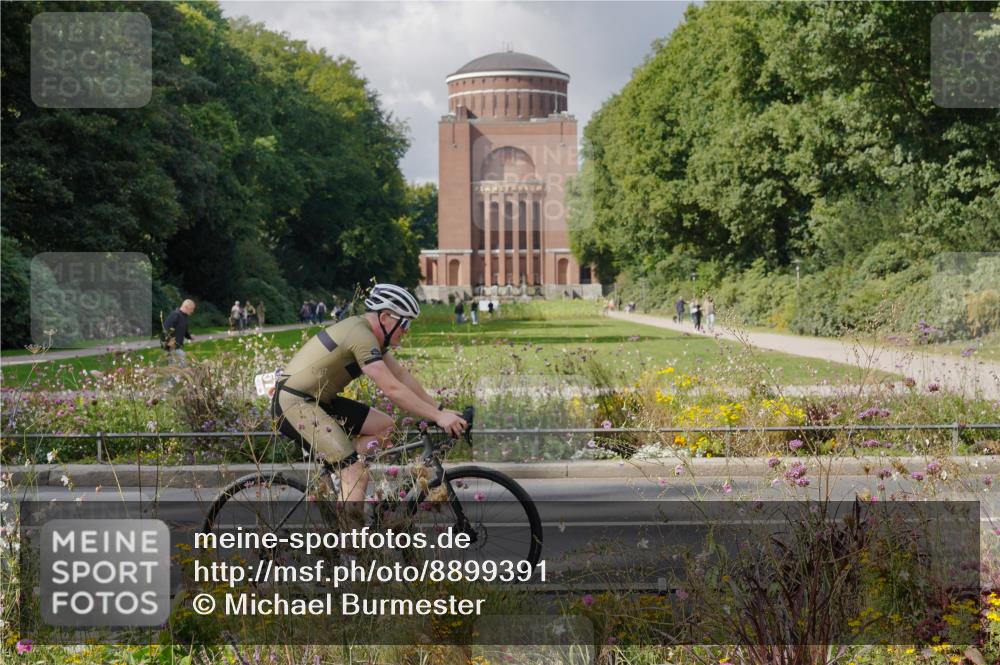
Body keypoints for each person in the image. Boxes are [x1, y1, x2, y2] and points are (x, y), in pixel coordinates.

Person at [272, 284, 467, 505]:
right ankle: (351, 536)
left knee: (384, 427)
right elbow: (392, 388)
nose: (407, 330)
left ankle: (337, 473)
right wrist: (439, 418)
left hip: (318, 400)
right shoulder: (360, 335)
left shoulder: (369, 336)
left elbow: (401, 377)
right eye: (405, 323)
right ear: (385, 317)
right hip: (295, 403)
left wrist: (438, 410)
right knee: (356, 475)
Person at [162, 299, 196, 364]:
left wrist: (190, 337)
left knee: (178, 369)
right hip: (172, 348)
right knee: (177, 368)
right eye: (192, 309)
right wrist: (168, 341)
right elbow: (165, 328)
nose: (192, 311)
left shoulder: (184, 317)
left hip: (178, 347)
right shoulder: (175, 315)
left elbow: (184, 330)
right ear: (187, 307)